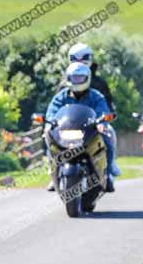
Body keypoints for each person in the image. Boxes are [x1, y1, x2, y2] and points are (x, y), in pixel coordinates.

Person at [45, 62, 116, 192]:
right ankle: (53, 172)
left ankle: (108, 174)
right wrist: (49, 123)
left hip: (89, 131)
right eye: (74, 78)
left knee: (108, 141)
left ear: (87, 78)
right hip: (66, 132)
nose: (77, 81)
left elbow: (103, 110)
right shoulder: (61, 96)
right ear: (68, 78)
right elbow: (52, 111)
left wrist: (101, 123)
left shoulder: (96, 96)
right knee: (49, 140)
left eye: (80, 78)